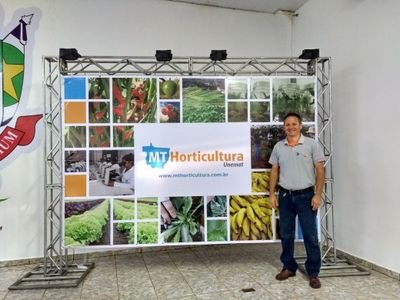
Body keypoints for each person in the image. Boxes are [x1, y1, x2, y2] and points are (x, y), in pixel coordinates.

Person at [268, 112, 325, 289]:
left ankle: (313, 273)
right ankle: (288, 267)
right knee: (286, 234)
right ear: (284, 127)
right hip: (285, 196)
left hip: (306, 196)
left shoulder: (312, 145)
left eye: (294, 124)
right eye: (287, 124)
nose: (290, 127)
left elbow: (320, 171)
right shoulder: (279, 146)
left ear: (300, 125)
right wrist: (272, 194)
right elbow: (274, 172)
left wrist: (317, 195)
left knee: (310, 235)